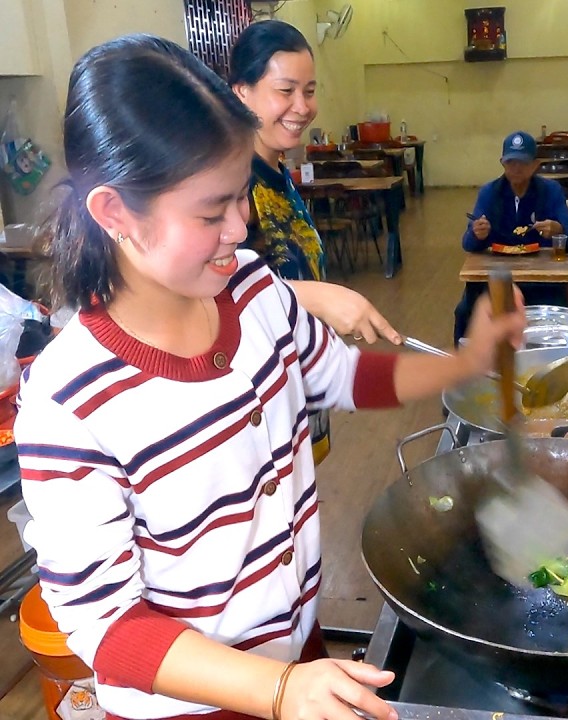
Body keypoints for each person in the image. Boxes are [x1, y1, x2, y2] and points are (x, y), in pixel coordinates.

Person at [17, 35, 524, 720]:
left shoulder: (253, 291)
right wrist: (276, 692)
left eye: (241, 198)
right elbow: (107, 628)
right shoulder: (70, 399)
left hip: (297, 658)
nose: (239, 226)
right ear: (115, 214)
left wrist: (463, 365)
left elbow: (342, 375)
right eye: (210, 211)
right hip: (196, 704)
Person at [230, 20, 397, 465]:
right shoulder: (230, 185)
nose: (302, 107)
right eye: (285, 91)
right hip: (254, 400)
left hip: (295, 380)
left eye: (309, 90)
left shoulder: (276, 170)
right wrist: (320, 297)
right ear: (240, 92)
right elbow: (219, 293)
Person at [454, 131, 568, 344]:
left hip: (542, 280)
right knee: (464, 312)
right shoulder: (489, 192)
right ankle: (468, 367)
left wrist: (559, 230)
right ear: (502, 163)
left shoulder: (551, 191)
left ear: (535, 164)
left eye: (523, 162)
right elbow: (468, 244)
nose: (516, 168)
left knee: (563, 312)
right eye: (510, 162)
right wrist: (477, 233)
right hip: (497, 279)